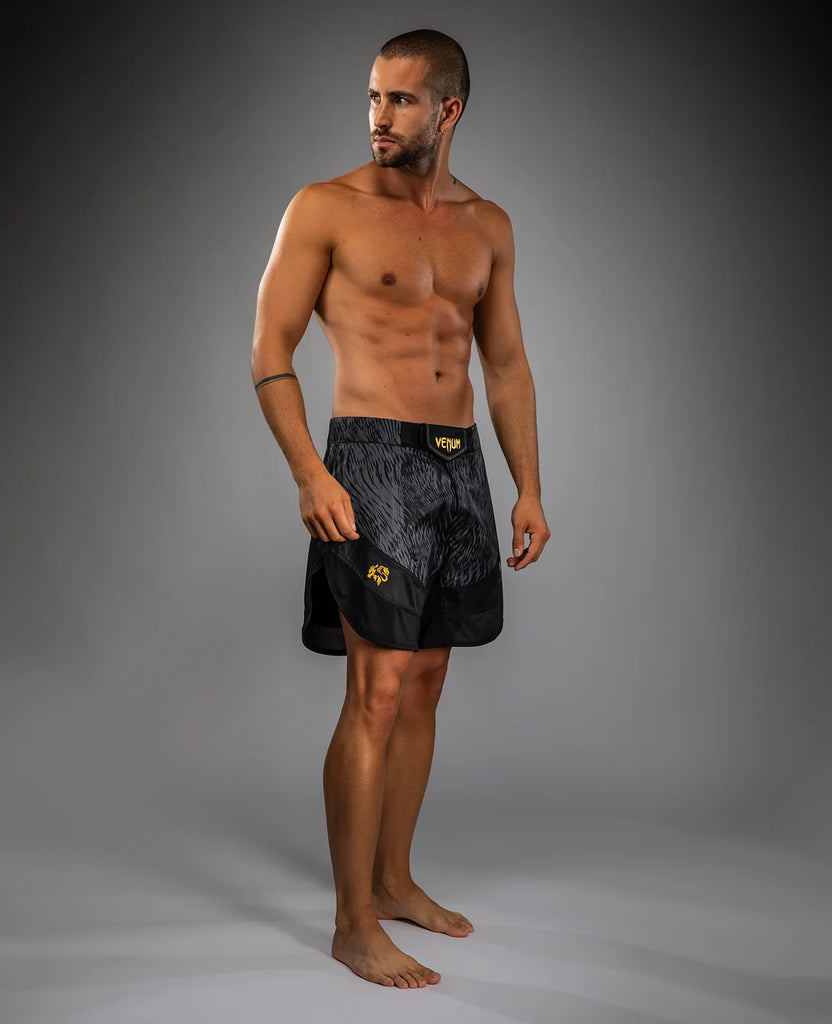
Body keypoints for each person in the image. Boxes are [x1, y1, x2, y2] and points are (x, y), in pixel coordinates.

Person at [251, 28, 549, 989]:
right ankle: (352, 926)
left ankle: (392, 881)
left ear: (448, 111)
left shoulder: (488, 224)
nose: (378, 116)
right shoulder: (325, 207)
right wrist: (310, 472)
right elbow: (269, 350)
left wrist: (529, 486)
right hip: (371, 458)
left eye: (401, 100)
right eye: (373, 96)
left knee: (425, 686)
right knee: (375, 691)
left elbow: (505, 363)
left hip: (460, 468)